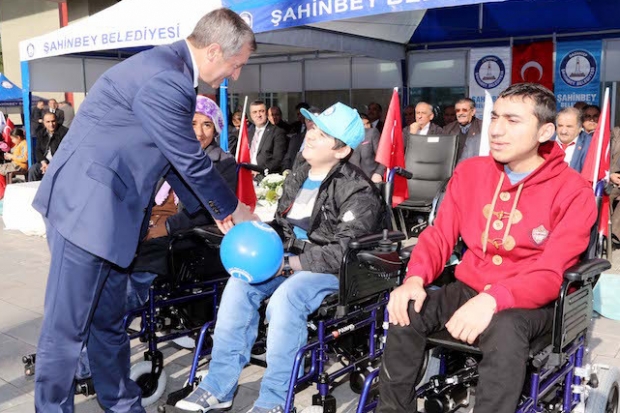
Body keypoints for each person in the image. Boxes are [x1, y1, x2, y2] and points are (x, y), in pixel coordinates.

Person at [31, 8, 257, 412]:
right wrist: (234, 208)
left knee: (107, 322)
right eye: (237, 64)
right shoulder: (167, 78)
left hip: (112, 216)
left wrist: (215, 213)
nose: (235, 76)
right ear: (214, 50)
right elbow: (188, 158)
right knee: (67, 331)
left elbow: (170, 159)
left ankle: (122, 405)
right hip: (88, 211)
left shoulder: (171, 71)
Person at [376, 83, 597, 413]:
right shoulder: (471, 172)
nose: (496, 129)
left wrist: (494, 299)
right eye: (494, 117)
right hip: (471, 286)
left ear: (545, 132)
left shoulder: (573, 190)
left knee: (504, 328)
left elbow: (552, 271)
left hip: (533, 303)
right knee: (406, 309)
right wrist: (415, 278)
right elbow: (439, 235)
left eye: (512, 120)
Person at [176, 102, 385, 413]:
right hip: (289, 258)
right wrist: (251, 228)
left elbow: (345, 249)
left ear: (341, 150)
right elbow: (283, 227)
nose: (310, 135)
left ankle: (274, 400)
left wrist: (290, 264)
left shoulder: (358, 190)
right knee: (239, 284)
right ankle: (219, 386)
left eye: (323, 134)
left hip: (333, 268)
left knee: (287, 297)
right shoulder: (299, 175)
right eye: (313, 127)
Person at [28, 111, 68, 181]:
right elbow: (38, 150)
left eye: (53, 121)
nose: (51, 124)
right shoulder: (41, 133)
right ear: (43, 122)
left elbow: (65, 152)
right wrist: (44, 162)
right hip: (45, 162)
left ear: (57, 121)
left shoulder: (64, 132)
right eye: (48, 122)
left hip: (59, 163)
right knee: (33, 170)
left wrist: (52, 165)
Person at [0, 128, 27, 199]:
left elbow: (24, 158)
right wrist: (9, 157)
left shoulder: (24, 144)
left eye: (13, 139)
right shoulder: (18, 144)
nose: (12, 141)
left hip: (19, 166)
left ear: (18, 137)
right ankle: (3, 189)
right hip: (15, 164)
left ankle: (3, 191)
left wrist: (12, 156)